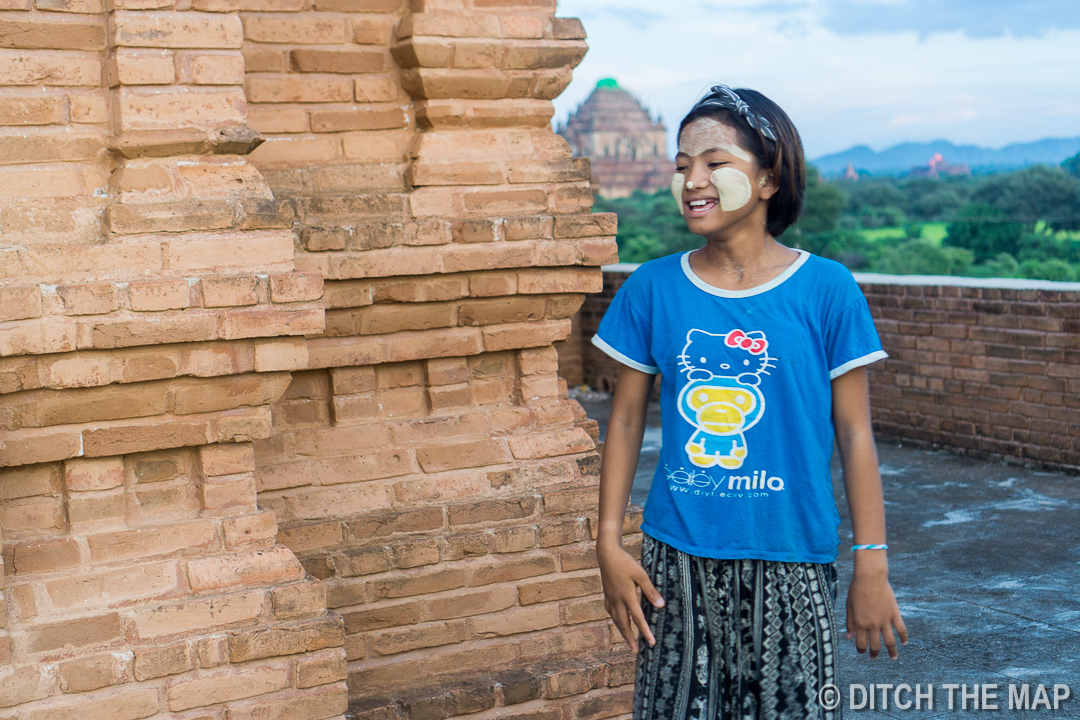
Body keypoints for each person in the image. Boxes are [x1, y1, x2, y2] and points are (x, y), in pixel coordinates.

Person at [592, 85, 908, 720]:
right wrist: (607, 541)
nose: (692, 180)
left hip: (794, 553)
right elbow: (625, 419)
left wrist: (870, 565)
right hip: (676, 558)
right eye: (682, 166)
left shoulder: (826, 289)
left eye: (714, 163)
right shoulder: (653, 288)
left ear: (768, 179)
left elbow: (854, 435)